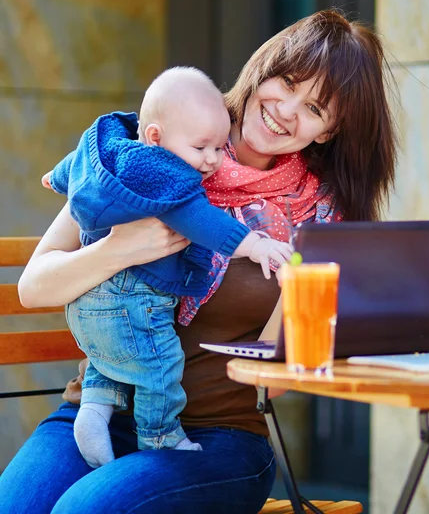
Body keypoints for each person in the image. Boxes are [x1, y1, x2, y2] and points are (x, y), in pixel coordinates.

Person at [1, 9, 398, 514]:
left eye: (315, 108)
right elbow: (34, 287)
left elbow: (293, 357)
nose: (286, 109)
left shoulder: (318, 215)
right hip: (98, 414)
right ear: (263, 69)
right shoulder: (153, 149)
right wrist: (121, 248)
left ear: (328, 131)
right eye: (288, 82)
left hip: (219, 437)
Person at [41, 66, 293, 468]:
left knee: (117, 356)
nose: (211, 160)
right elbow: (203, 220)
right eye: (203, 149)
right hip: (133, 300)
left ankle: (94, 412)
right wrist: (255, 244)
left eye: (217, 147)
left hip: (92, 313)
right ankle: (160, 435)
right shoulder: (168, 176)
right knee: (160, 363)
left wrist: (54, 179)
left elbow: (77, 164)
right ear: (156, 136)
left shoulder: (110, 151)